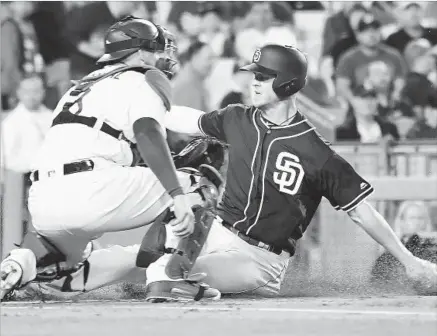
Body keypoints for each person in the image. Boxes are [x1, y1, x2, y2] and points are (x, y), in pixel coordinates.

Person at [145, 44, 437, 301]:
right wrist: (137, 107)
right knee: (142, 261)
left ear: (286, 82)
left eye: (263, 76)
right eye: (254, 75)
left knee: (164, 272)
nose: (254, 82)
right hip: (217, 236)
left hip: (259, 260)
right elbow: (184, 118)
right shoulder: (237, 118)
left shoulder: (316, 152)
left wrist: (409, 261)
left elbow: (361, 211)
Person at [0, 16, 222, 302]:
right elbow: (148, 132)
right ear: (139, 52)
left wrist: (210, 124)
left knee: (69, 273)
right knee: (198, 184)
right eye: (156, 50)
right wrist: (177, 194)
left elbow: (167, 118)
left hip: (43, 200)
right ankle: (168, 279)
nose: (162, 57)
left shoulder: (81, 87)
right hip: (91, 188)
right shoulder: (144, 77)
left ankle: (21, 262)